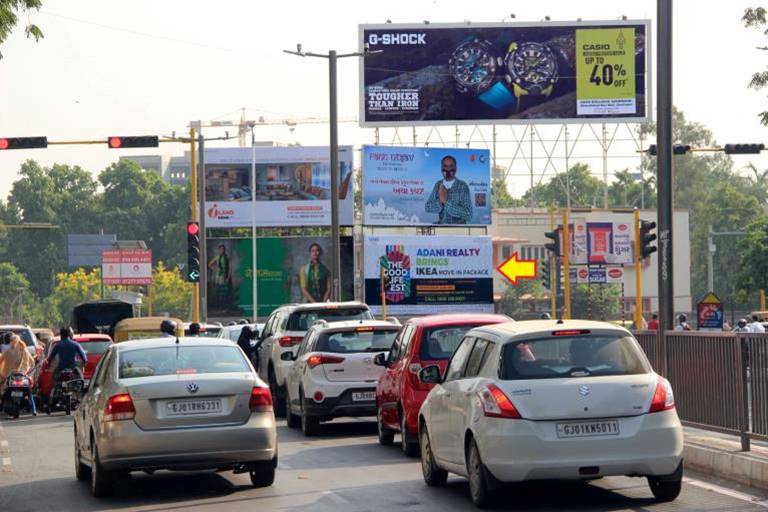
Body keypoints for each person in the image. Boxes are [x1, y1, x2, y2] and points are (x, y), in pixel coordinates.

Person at [424, 155, 472, 224]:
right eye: (445, 166)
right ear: (441, 168)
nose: (448, 169)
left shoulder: (462, 186)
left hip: (459, 230)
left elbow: (468, 214)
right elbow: (428, 207)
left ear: (455, 168)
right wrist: (440, 202)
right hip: (441, 229)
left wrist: (446, 202)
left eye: (451, 166)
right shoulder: (438, 184)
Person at [0, 334, 38, 415]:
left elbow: (1, 361)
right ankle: (34, 410)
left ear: (11, 342)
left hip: (10, 377)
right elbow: (32, 363)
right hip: (23, 377)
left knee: (4, 392)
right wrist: (28, 372)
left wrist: (2, 374)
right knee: (29, 393)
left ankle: (1, 406)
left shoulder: (7, 352)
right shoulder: (25, 351)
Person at [209, 244, 233, 310]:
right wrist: (214, 269)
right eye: (220, 249)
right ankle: (219, 307)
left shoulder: (227, 257)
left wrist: (228, 276)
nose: (221, 250)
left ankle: (225, 307)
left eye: (223, 249)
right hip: (218, 277)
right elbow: (210, 264)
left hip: (224, 277)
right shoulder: (217, 257)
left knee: (225, 293)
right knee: (218, 293)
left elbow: (230, 268)